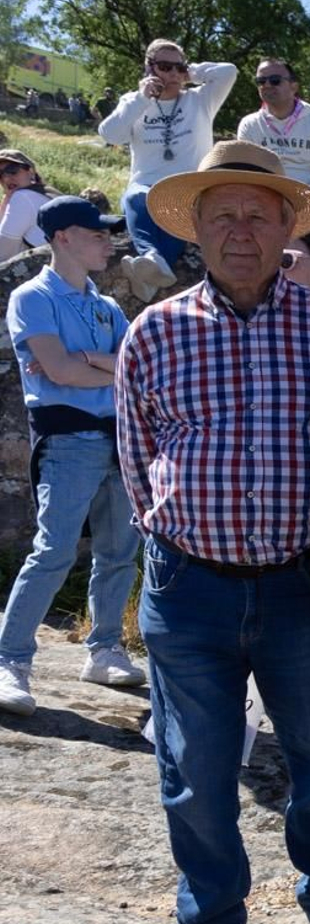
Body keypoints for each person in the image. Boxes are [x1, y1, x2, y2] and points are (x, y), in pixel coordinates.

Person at [114, 140, 310, 924]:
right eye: (221, 214)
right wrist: (172, 539)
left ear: (287, 226)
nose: (239, 230)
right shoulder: (154, 332)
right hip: (189, 591)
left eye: (258, 214)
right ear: (197, 230)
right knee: (194, 775)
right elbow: (137, 457)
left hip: (303, 587)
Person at [0, 198, 143, 718]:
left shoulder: (106, 305)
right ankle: (10, 660)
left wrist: (85, 360)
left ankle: (105, 648)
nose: (109, 241)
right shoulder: (31, 297)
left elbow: (138, 368)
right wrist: (98, 365)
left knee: (118, 552)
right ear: (62, 237)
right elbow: (60, 374)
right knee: (54, 550)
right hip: (69, 439)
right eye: (96, 233)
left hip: (118, 438)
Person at [97, 39, 237, 302]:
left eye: (178, 67)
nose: (173, 73)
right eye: (164, 66)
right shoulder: (134, 102)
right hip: (146, 188)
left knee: (175, 210)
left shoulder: (200, 99)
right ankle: (153, 260)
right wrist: (141, 98)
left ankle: (149, 273)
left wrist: (191, 73)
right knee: (135, 197)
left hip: (188, 189)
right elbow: (110, 134)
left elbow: (229, 71)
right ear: (149, 68)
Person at [236, 59, 310, 195]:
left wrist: (304, 199)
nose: (267, 85)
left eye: (275, 80)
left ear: (294, 87)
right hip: (267, 199)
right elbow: (248, 173)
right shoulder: (249, 124)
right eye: (261, 81)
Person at [0, 149, 52, 262]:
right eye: (0, 174)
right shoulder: (47, 192)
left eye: (12, 170)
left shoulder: (23, 197)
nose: (6, 178)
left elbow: (3, 250)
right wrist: (7, 198)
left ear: (30, 171)